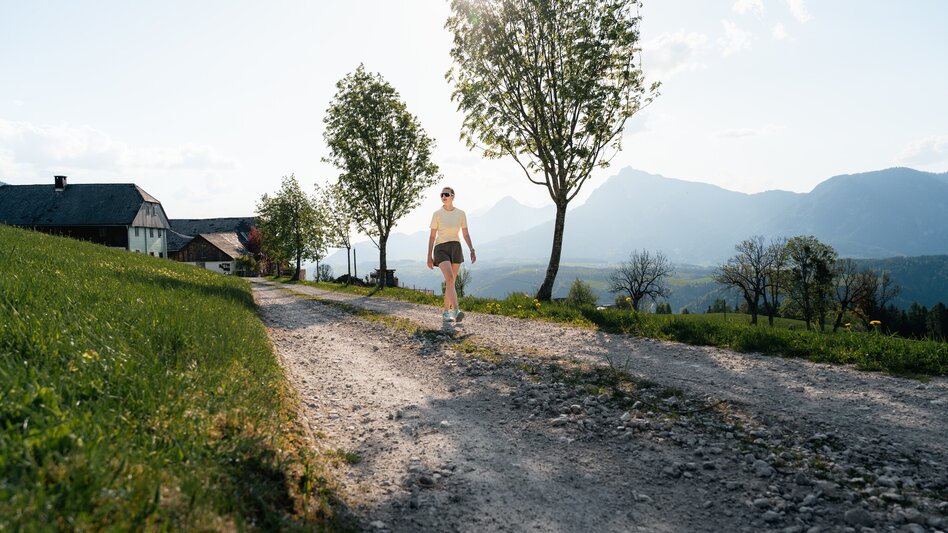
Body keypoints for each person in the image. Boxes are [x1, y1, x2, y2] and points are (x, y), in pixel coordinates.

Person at [427, 186, 476, 322]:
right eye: (442, 194)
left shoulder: (461, 213)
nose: (444, 196)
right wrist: (429, 256)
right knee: (449, 278)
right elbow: (432, 236)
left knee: (451, 282)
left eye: (446, 194)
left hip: (456, 247)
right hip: (440, 248)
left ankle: (445, 313)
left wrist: (472, 249)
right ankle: (456, 310)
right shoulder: (437, 214)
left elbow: (465, 233)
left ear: (453, 196)